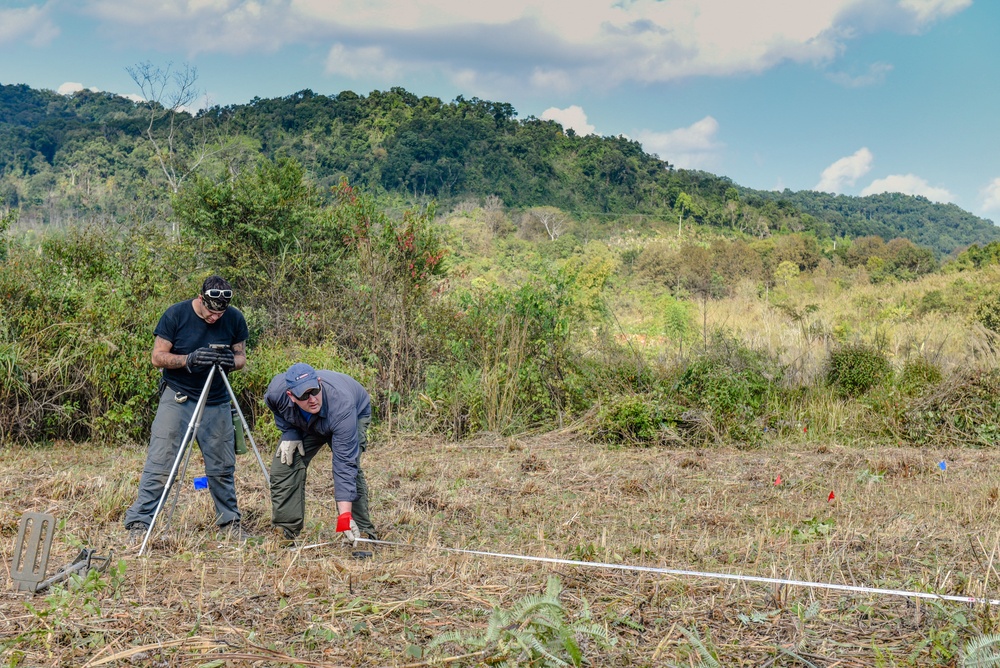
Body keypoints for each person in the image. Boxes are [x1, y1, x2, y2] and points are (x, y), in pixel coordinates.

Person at [123, 275, 251, 544]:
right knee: (161, 462)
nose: (215, 317)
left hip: (216, 399)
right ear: (201, 298)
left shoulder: (235, 318)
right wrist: (189, 360)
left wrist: (230, 360)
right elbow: (157, 357)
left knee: (222, 465)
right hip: (178, 396)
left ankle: (230, 522)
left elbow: (241, 358)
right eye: (211, 311)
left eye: (220, 313)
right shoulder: (176, 314)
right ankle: (140, 522)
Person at [264, 363, 376, 548]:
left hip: (349, 416)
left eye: (315, 391)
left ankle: (361, 532)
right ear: (291, 396)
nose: (313, 399)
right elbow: (276, 408)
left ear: (319, 382)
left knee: (350, 470)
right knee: (285, 465)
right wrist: (289, 432)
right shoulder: (277, 393)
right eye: (304, 395)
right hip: (306, 423)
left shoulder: (342, 406)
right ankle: (285, 530)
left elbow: (344, 465)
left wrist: (343, 517)